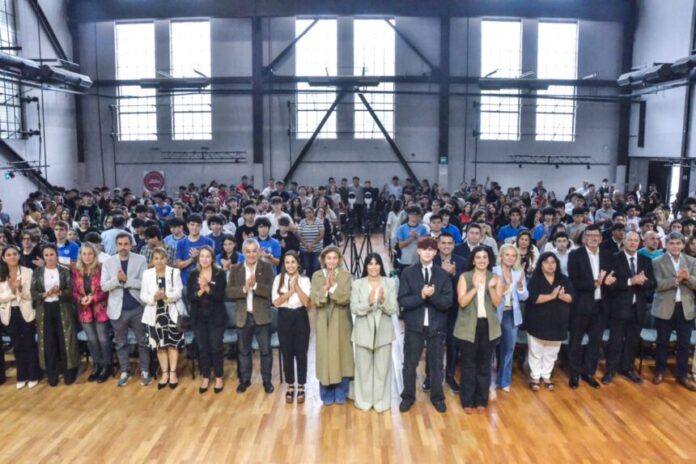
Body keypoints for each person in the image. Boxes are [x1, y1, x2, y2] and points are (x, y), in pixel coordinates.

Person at [398, 237, 453, 414]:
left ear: (435, 252)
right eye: (424, 249)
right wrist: (421, 296)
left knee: (436, 365)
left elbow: (447, 302)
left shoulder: (443, 275)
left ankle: (438, 398)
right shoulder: (408, 273)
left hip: (437, 326)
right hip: (414, 326)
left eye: (431, 250)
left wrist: (432, 296)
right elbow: (403, 300)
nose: (427, 252)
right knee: (410, 364)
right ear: (418, 251)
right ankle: (407, 397)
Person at [602, 231, 655, 385]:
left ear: (640, 242)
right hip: (619, 307)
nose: (633, 243)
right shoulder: (613, 258)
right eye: (630, 240)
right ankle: (610, 370)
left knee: (632, 341)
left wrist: (643, 281)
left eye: (636, 240)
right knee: (615, 341)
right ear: (624, 241)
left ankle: (627, 368)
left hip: (638, 308)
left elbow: (653, 283)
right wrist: (631, 281)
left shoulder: (646, 260)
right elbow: (610, 284)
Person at [455, 246, 503, 414]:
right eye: (478, 257)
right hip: (468, 326)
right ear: (473, 260)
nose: (482, 260)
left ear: (489, 260)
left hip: (488, 326)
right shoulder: (465, 277)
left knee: (484, 365)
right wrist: (475, 288)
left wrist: (491, 288)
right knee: (468, 365)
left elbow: (497, 303)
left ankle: (481, 400)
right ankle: (467, 401)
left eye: (485, 257)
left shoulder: (495, 278)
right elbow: (462, 302)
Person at [567, 224, 614, 389]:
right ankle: (574, 373)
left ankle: (588, 373)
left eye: (596, 236)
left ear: (601, 239)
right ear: (584, 238)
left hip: (601, 306)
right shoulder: (575, 255)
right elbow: (573, 281)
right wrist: (594, 284)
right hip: (581, 305)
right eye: (590, 235)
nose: (593, 238)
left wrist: (610, 282)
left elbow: (613, 279)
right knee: (576, 340)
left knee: (595, 342)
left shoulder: (608, 255)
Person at [101, 233, 150, 387]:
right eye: (120, 244)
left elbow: (144, 283)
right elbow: (104, 286)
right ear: (116, 246)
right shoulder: (108, 262)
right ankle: (125, 371)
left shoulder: (141, 259)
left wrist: (127, 280)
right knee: (120, 343)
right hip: (117, 310)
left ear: (131, 245)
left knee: (143, 342)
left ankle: (145, 371)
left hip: (137, 307)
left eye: (126, 244)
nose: (123, 247)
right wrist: (117, 280)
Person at [227, 238, 275, 394]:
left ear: (259, 252)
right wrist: (244, 288)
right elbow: (229, 292)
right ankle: (244, 381)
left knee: (265, 351)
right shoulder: (235, 269)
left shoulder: (267, 268)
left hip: (262, 316)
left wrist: (255, 286)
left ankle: (267, 381)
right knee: (243, 351)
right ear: (243, 252)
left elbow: (271, 291)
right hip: (243, 316)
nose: (251, 254)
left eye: (254, 251)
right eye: (248, 251)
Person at [350, 253, 397, 412]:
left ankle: (380, 402)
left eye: (377, 263)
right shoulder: (357, 284)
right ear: (366, 266)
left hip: (384, 332)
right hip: (363, 331)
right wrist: (368, 303)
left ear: (381, 266)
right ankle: (364, 401)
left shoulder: (389, 283)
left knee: (382, 369)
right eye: (370, 264)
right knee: (363, 370)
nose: (374, 267)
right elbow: (354, 308)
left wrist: (383, 302)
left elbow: (393, 308)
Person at [651, 232, 696, 391]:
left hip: (685, 308)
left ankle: (682, 376)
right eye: (672, 243)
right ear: (666, 245)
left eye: (678, 243)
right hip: (664, 308)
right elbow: (658, 285)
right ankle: (659, 372)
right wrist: (677, 280)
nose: (675, 246)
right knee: (662, 343)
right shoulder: (657, 261)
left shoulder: (691, 261)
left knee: (684, 344)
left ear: (683, 245)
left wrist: (688, 278)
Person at [310, 245, 354, 405]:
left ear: (339, 260)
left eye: (335, 258)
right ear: (323, 260)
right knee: (325, 356)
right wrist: (325, 289)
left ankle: (341, 391)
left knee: (342, 355)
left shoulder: (346, 276)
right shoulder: (316, 276)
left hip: (341, 321)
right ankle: (326, 392)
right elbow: (314, 299)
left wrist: (333, 288)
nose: (331, 261)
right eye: (328, 258)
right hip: (323, 320)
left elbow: (346, 298)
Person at [524, 252, 574, 391]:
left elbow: (572, 297)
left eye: (553, 262)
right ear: (541, 264)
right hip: (537, 321)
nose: (550, 265)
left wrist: (563, 296)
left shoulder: (563, 279)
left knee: (552, 352)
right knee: (536, 351)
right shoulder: (535, 279)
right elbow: (533, 299)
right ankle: (535, 377)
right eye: (546, 262)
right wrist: (551, 296)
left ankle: (546, 376)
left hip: (558, 321)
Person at [31, 244, 79, 386]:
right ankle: (52, 374)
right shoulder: (38, 272)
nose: (49, 257)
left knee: (65, 340)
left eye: (52, 254)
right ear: (43, 257)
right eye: (46, 255)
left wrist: (60, 292)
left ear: (56, 255)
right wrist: (45, 294)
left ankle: (69, 371)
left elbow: (70, 291)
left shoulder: (64, 271)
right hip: (45, 309)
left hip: (62, 307)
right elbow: (33, 293)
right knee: (49, 342)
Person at [141, 248, 185, 390]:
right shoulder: (147, 274)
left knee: (172, 345)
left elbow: (179, 292)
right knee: (160, 346)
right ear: (152, 260)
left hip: (170, 313)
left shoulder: (174, 272)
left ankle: (173, 373)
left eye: (162, 258)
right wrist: (153, 297)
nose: (159, 261)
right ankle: (164, 373)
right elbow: (143, 295)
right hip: (154, 315)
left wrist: (167, 296)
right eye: (156, 258)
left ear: (166, 259)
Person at [272, 251, 311, 403]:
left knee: (301, 353)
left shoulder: (305, 279)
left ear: (298, 264)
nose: (290, 265)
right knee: (287, 353)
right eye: (287, 262)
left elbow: (306, 302)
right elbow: (276, 302)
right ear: (284, 264)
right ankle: (290, 385)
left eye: (293, 262)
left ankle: (301, 385)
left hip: (300, 316)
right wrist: (291, 291)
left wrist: (297, 287)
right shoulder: (278, 279)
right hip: (284, 316)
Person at [187, 246, 228, 394]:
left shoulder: (219, 274)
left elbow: (220, 297)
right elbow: (190, 297)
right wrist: (201, 290)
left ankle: (218, 377)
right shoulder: (193, 274)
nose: (204, 259)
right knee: (203, 348)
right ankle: (205, 376)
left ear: (212, 258)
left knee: (216, 347)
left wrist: (208, 288)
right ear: (198, 259)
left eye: (207, 256)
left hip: (216, 317)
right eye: (202, 256)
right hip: (198, 317)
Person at [0, 246, 40, 389]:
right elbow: (1, 298)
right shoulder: (1, 274)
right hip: (9, 313)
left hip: (26, 312)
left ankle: (34, 375)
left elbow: (31, 294)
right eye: (8, 255)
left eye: (14, 254)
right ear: (3, 258)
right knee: (17, 345)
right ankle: (22, 376)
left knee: (29, 343)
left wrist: (21, 290)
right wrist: (13, 290)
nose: (12, 257)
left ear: (19, 255)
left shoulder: (28, 272)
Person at [432, 232, 467, 392]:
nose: (446, 246)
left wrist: (453, 275)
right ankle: (430, 376)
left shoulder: (462, 262)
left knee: (453, 344)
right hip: (435, 308)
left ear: (454, 245)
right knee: (434, 344)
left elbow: (464, 286)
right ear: (438, 244)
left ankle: (450, 376)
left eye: (450, 243)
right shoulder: (431, 260)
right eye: (443, 243)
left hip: (455, 309)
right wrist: (444, 274)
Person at [72, 243, 111, 383]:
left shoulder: (101, 268)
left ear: (94, 255)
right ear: (80, 255)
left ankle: (107, 366)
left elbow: (105, 289)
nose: (87, 257)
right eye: (84, 254)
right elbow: (74, 290)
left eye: (90, 253)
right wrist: (80, 299)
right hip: (84, 310)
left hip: (100, 309)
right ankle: (97, 365)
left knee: (103, 339)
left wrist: (92, 298)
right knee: (92, 340)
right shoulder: (76, 270)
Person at [492, 244, 528, 393]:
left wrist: (519, 285)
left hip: (512, 315)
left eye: (513, 255)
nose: (510, 258)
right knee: (490, 350)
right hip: (494, 315)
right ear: (501, 256)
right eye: (507, 255)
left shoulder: (518, 273)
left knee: (508, 349)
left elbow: (524, 297)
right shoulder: (493, 271)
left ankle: (504, 381)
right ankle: (488, 381)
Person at [175, 214, 214, 286]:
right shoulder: (181, 243)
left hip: (205, 281)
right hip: (186, 282)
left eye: (198, 225)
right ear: (187, 225)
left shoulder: (208, 242)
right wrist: (192, 259)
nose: (194, 228)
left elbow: (212, 263)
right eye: (192, 225)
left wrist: (199, 257)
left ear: (201, 227)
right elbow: (178, 265)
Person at [395, 206, 429, 271]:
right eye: (412, 214)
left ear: (419, 216)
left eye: (416, 214)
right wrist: (412, 238)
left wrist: (417, 236)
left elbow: (425, 245)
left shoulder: (423, 228)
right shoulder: (401, 228)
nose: (414, 216)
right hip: (405, 260)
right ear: (408, 215)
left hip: (419, 261)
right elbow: (400, 245)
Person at [297, 207, 324, 278]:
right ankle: (308, 281)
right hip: (305, 249)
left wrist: (312, 244)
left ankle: (316, 281)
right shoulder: (302, 222)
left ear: (313, 212)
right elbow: (299, 235)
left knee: (316, 266)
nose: (308, 214)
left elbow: (321, 235)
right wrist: (306, 245)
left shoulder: (319, 222)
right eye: (306, 213)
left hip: (317, 249)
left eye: (309, 212)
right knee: (307, 266)